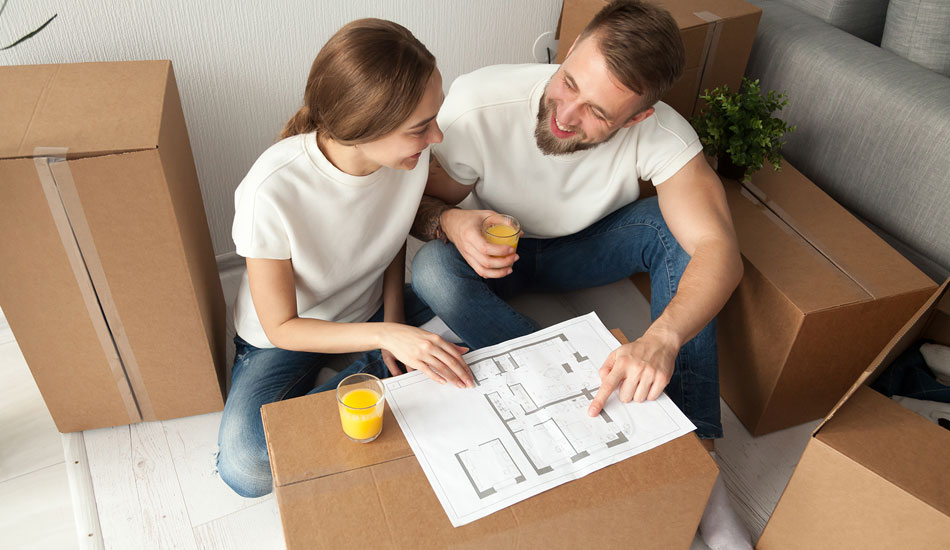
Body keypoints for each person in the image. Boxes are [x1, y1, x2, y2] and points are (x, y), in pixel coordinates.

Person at [408, 1, 749, 548]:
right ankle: (564, 384)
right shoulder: (479, 104)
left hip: (589, 245)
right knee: (432, 271)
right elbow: (416, 205)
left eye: (598, 112)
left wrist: (662, 336)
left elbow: (720, 252)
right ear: (569, 52)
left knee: (681, 237)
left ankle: (698, 459)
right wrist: (451, 219)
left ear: (637, 117)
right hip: (503, 249)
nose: (565, 115)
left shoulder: (663, 134)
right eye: (568, 82)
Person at [216, 18, 474, 499]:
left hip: (371, 311)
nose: (437, 137)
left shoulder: (404, 160)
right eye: (422, 127)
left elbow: (390, 237)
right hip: (286, 336)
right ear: (363, 129)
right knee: (246, 465)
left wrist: (394, 320)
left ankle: (376, 364)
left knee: (473, 288)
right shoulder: (271, 191)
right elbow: (281, 328)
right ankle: (371, 369)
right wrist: (385, 337)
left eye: (435, 118)